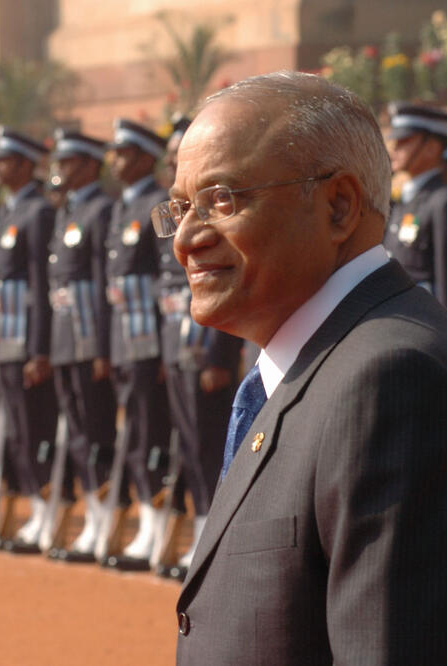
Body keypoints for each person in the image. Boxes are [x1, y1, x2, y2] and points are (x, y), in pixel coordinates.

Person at [161, 71, 447, 665]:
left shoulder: (393, 383)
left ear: (339, 205)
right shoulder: (326, 363)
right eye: (182, 207)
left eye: (222, 199)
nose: (186, 238)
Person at [154, 116, 241, 579]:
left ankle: (213, 538)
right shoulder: (171, 208)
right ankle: (201, 532)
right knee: (189, 446)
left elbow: (230, 285)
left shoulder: (220, 207)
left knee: (212, 446)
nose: (172, 162)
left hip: (208, 351)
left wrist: (219, 358)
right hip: (180, 344)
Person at [101, 118, 172, 569]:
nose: (116, 161)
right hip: (124, 339)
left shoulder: (161, 204)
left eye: (125, 154)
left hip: (150, 340)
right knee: (132, 430)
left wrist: (165, 347)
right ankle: (145, 520)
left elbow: (172, 273)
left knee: (150, 430)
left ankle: (157, 524)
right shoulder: (116, 207)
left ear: (147, 158)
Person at [0, 126, 58, 552]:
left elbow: (39, 285)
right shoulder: (7, 211)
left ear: (27, 165)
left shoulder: (38, 212)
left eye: (6, 160)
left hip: (24, 342)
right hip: (3, 338)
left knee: (34, 429)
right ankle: (35, 508)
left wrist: (39, 348)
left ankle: (48, 511)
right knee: (16, 432)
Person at [44, 129, 117, 562]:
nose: (61, 170)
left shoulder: (101, 210)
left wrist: (101, 349)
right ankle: (92, 517)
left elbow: (104, 285)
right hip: (65, 339)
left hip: (90, 342)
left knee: (97, 431)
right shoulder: (68, 211)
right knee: (76, 432)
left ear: (90, 165)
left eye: (69, 162)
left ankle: (107, 517)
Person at [384, 102, 447, 321]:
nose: (395, 148)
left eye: (404, 142)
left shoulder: (444, 203)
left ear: (431, 148)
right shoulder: (404, 202)